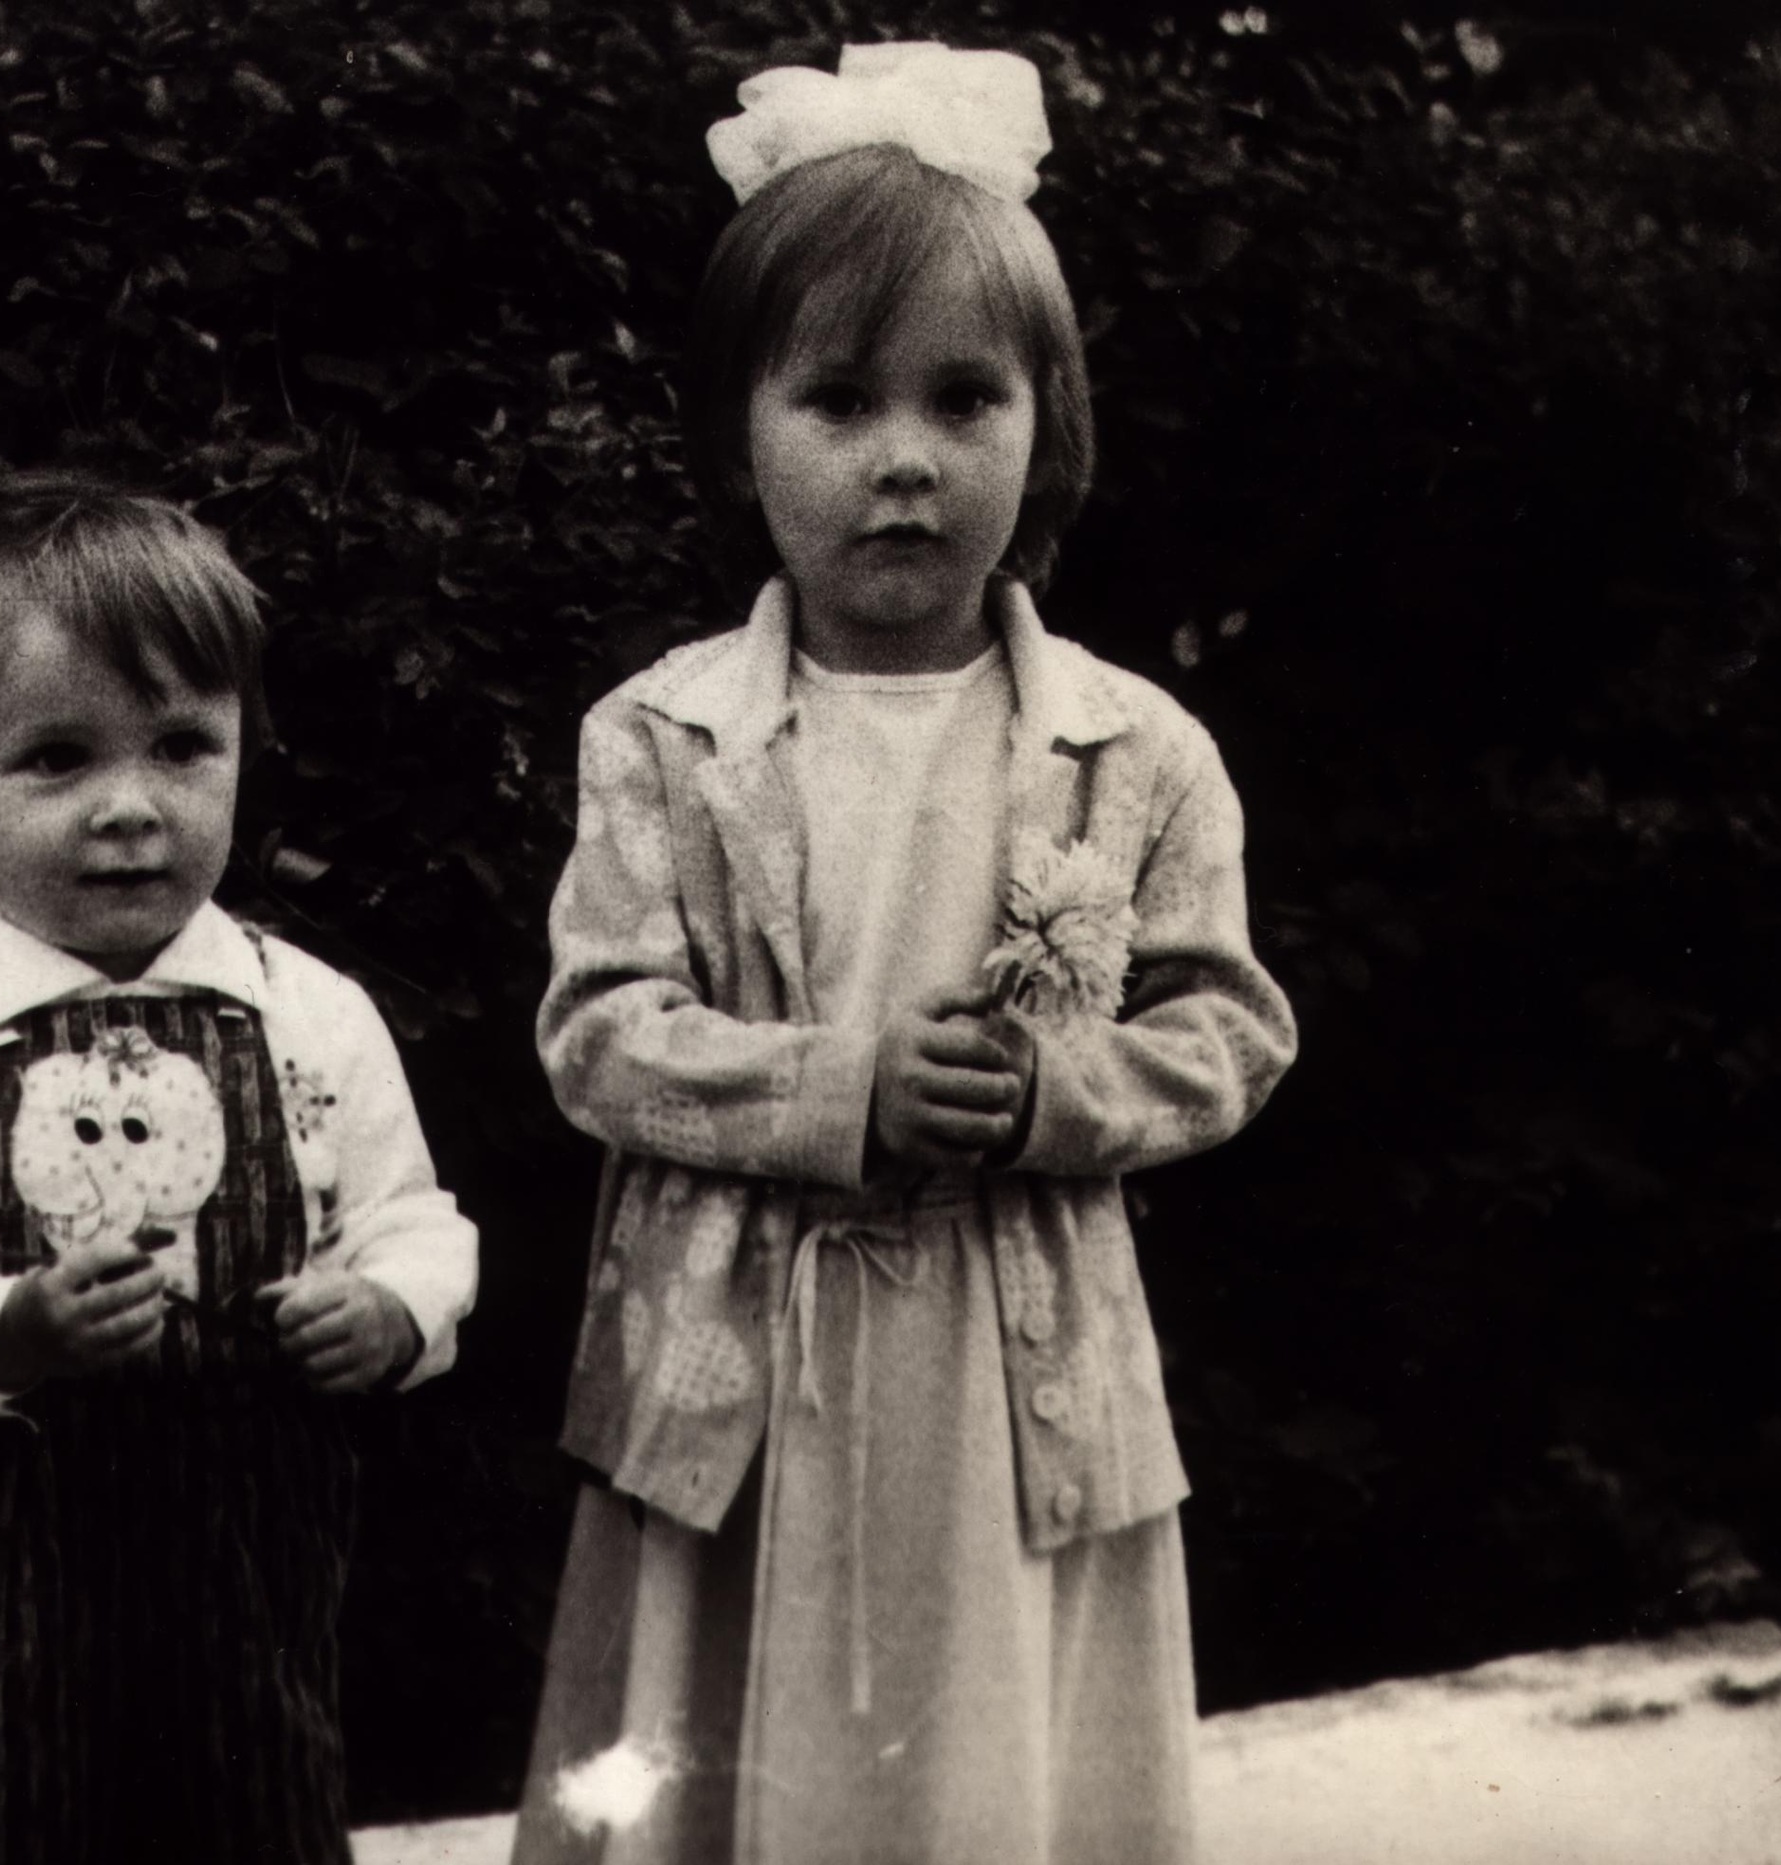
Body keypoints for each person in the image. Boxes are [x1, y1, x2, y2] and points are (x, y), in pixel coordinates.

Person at [512, 45, 1296, 1865]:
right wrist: (839, 1085)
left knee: (986, 1771)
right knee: (716, 1760)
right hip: (739, 1358)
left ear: (1047, 428)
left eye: (964, 398)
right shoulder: (666, 738)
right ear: (741, 435)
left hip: (1008, 1363)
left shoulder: (1132, 747)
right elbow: (600, 1033)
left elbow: (1228, 1028)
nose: (905, 460)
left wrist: (1048, 1092)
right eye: (840, 400)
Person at [0, 471, 479, 1865]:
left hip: (248, 1596)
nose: (131, 807)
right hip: (1, 1606)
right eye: (58, 759)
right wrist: (3, 1330)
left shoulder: (309, 1018)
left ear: (245, 749)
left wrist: (392, 1311)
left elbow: (413, 1220)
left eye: (183, 747)